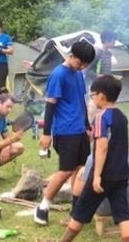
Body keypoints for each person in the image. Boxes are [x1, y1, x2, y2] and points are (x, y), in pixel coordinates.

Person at [36, 74, 129, 242]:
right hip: (121, 173)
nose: (92, 99)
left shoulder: (102, 118)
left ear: (101, 96)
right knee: (122, 213)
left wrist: (97, 176)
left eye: (92, 95)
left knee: (81, 211)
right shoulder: (121, 117)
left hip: (104, 175)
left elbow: (102, 147)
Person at [33, 40, 96, 226]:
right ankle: (43, 206)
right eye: (81, 63)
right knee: (66, 171)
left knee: (81, 169)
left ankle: (76, 210)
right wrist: (46, 133)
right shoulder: (58, 75)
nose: (82, 67)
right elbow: (50, 104)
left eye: (85, 64)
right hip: (65, 130)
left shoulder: (78, 74)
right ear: (72, 56)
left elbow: (81, 101)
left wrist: (87, 125)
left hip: (79, 130)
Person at [72, 148, 129, 236]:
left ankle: (75, 212)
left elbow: (84, 186)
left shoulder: (92, 158)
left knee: (82, 172)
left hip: (100, 208)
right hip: (127, 204)